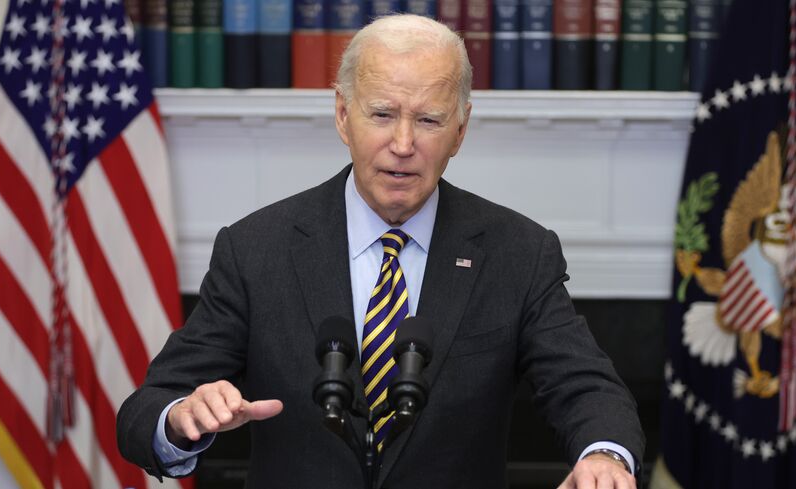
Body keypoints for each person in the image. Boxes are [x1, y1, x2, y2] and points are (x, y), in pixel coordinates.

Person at [116, 14, 644, 489]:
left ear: (460, 130)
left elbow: (585, 386)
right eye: (383, 114)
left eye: (429, 120)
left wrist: (604, 455)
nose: (404, 143)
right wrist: (179, 418)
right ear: (343, 115)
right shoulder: (255, 249)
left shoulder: (518, 253)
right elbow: (146, 411)